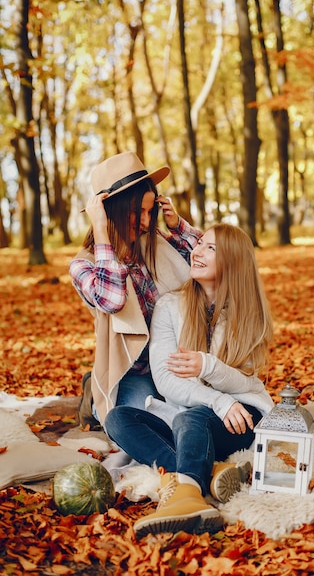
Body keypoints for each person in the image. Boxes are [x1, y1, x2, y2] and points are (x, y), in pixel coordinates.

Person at [105, 223, 275, 538]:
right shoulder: (169, 306)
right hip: (190, 415)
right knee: (118, 418)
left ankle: (185, 498)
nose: (196, 251)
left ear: (233, 260)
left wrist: (206, 366)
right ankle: (209, 476)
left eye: (210, 248)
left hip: (241, 414)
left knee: (191, 419)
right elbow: (167, 380)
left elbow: (244, 383)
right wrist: (216, 399)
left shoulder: (249, 312)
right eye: (200, 244)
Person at [69, 151, 202, 429]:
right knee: (153, 423)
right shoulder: (85, 264)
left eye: (149, 210)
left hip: (170, 361)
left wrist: (177, 226)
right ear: (108, 212)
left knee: (199, 414)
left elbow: (205, 264)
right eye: (135, 212)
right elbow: (112, 300)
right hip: (133, 371)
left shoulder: (152, 241)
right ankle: (94, 393)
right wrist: (102, 231)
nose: (145, 221)